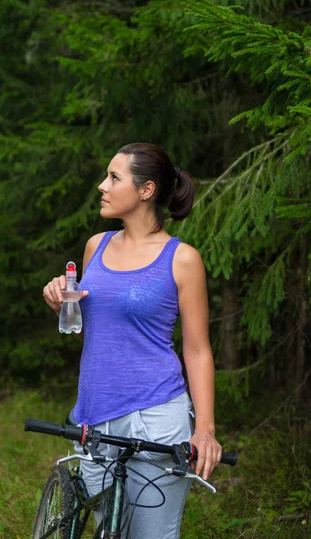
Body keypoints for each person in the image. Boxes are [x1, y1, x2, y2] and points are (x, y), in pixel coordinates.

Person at [42, 143, 222, 539]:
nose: (102, 185)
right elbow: (98, 334)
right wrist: (61, 305)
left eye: (114, 177)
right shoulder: (97, 245)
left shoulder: (182, 259)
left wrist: (204, 429)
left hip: (155, 417)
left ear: (146, 190)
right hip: (93, 413)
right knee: (111, 531)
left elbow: (197, 350)